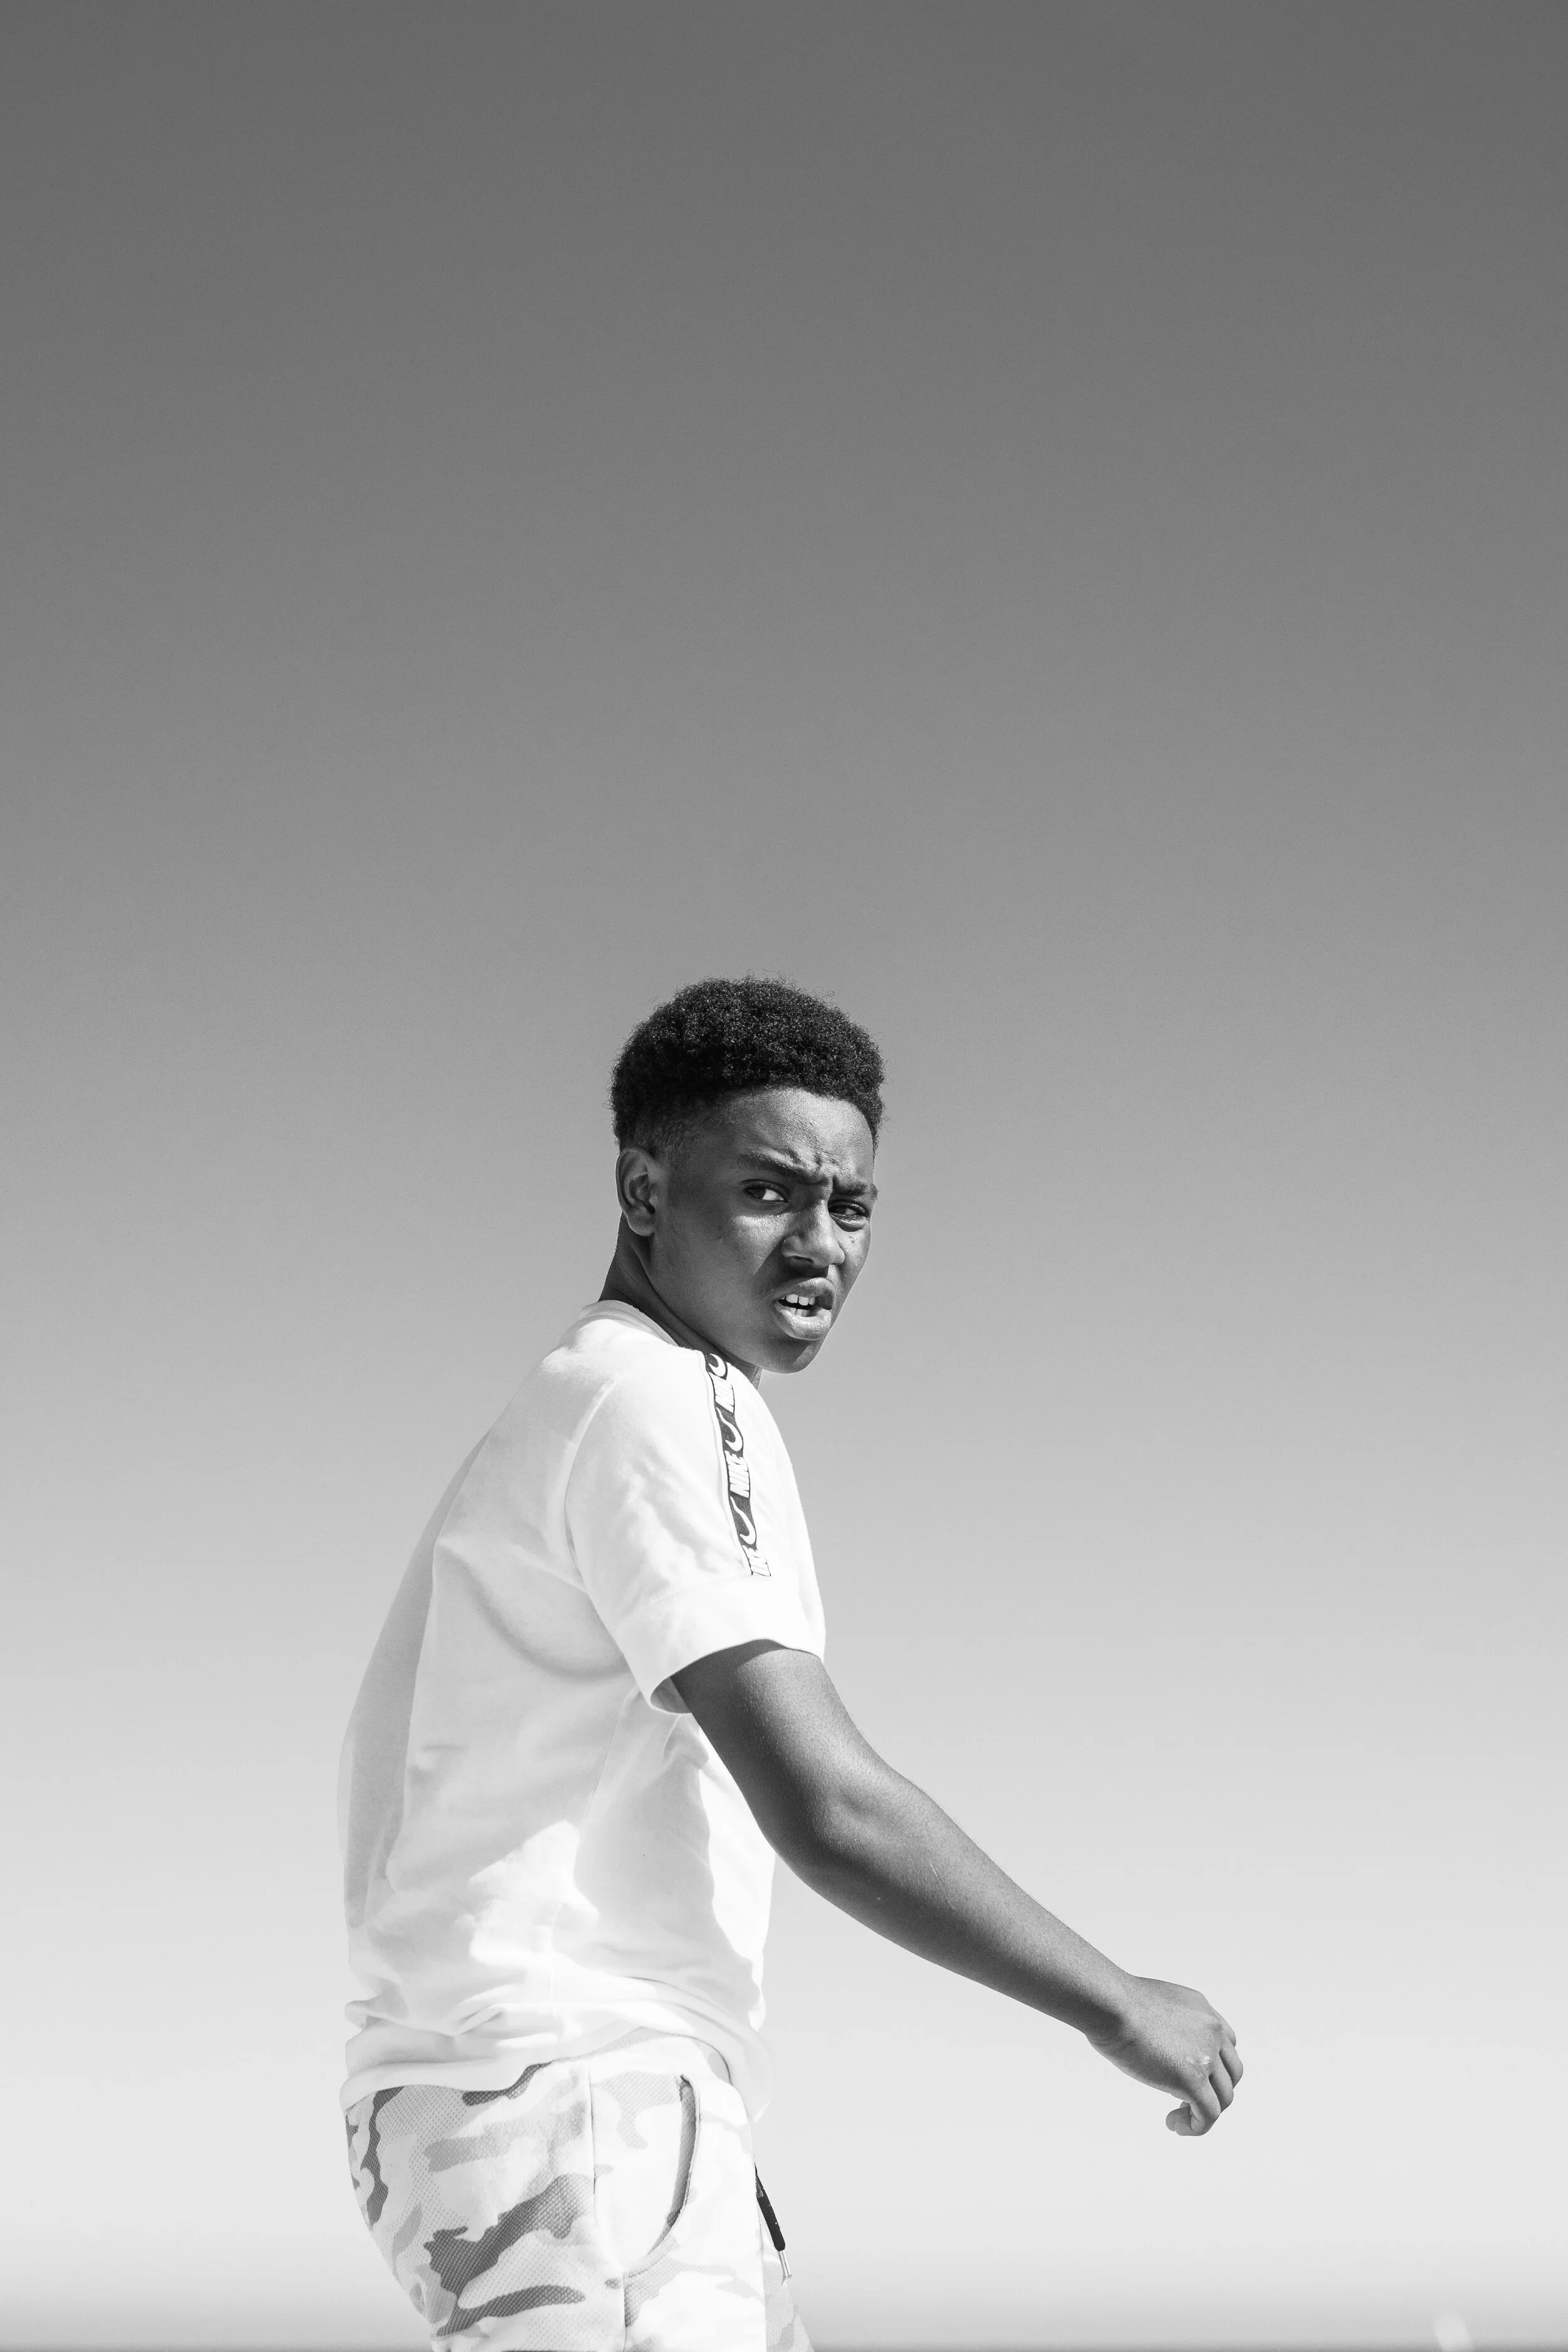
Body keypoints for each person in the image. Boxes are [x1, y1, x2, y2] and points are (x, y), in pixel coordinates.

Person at [339, 975, 1242, 2352]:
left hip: (563, 2108)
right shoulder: (661, 1395)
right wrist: (1118, 2004)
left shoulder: (595, 1393)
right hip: (579, 2098)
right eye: (769, 1194)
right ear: (644, 1192)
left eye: (853, 1206)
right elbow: (826, 1803)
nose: (820, 1244)